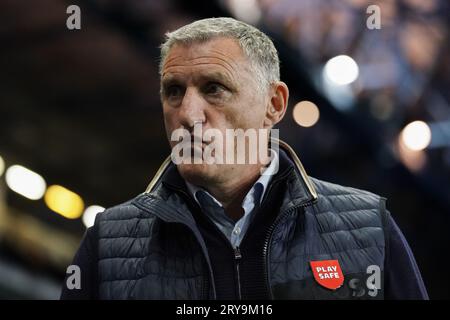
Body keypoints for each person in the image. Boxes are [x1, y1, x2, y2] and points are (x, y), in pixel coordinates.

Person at [61, 17, 428, 300]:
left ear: (274, 104)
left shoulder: (369, 229)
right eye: (173, 91)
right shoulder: (107, 242)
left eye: (213, 88)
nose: (188, 113)